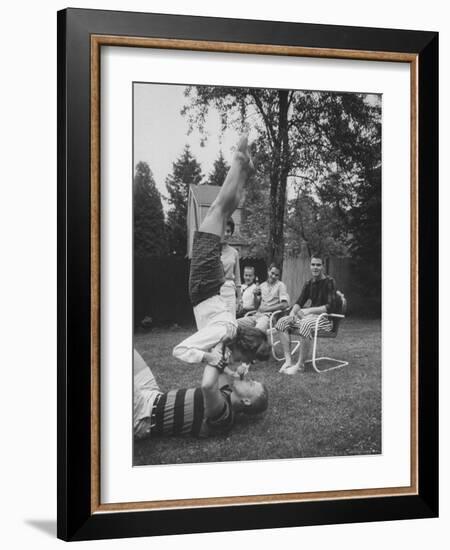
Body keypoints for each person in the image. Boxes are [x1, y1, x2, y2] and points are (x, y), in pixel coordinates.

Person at [173, 135, 270, 370]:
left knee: (224, 211)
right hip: (204, 286)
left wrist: (233, 370)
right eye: (247, 360)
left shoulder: (230, 334)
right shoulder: (224, 332)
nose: (244, 364)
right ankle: (239, 161)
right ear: (242, 348)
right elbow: (179, 350)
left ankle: (244, 172)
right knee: (217, 209)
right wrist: (207, 358)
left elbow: (257, 325)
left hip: (210, 287)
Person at [134, 349, 268, 439]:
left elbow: (208, 385)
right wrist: (233, 369)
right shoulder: (227, 392)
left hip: (143, 414)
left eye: (251, 384)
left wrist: (217, 357)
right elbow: (220, 370)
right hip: (153, 394)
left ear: (246, 401)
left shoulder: (225, 415)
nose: (249, 379)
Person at [276, 254, 337, 375]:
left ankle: (300, 365)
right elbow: (299, 302)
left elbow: (330, 307)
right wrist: (292, 313)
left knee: (305, 323)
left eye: (318, 265)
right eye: (313, 264)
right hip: (311, 319)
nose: (315, 267)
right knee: (281, 322)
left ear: (323, 266)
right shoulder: (309, 283)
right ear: (310, 266)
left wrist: (309, 310)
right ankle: (288, 361)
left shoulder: (330, 282)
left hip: (325, 320)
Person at [237, 263, 290, 333]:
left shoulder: (280, 285)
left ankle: (256, 343)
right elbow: (256, 306)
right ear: (268, 271)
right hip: (256, 316)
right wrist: (255, 295)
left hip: (268, 317)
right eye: (272, 273)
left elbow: (285, 304)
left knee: (257, 331)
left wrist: (267, 309)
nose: (273, 276)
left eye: (276, 275)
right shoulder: (262, 285)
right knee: (234, 324)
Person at [220, 217, 241, 319]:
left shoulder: (234, 252)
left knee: (230, 322)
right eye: (223, 230)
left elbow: (237, 278)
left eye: (228, 231)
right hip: (215, 292)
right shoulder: (212, 251)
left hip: (229, 291)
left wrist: (239, 298)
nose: (226, 233)